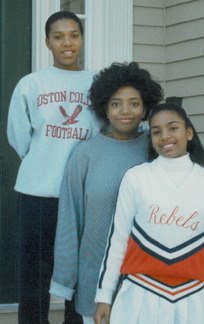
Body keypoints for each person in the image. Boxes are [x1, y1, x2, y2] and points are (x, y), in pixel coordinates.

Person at [49, 62, 164, 324]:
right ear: (104, 108)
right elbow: (70, 219)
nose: (126, 111)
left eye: (134, 103)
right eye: (116, 103)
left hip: (150, 280)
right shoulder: (86, 153)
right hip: (96, 280)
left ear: (145, 107)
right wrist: (65, 279)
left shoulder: (157, 147)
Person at [94, 103, 204, 324]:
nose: (165, 136)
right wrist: (104, 296)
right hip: (139, 294)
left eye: (173, 128)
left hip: (192, 298)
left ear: (188, 133)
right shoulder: (136, 177)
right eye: (156, 131)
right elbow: (117, 240)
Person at [7, 11, 101, 324]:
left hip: (82, 195)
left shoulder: (97, 84)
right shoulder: (30, 84)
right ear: (47, 42)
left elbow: (103, 134)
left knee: (80, 274)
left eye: (74, 34)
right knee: (34, 276)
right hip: (37, 192)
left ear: (82, 39)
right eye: (58, 36)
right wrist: (44, 162)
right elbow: (19, 137)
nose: (67, 43)